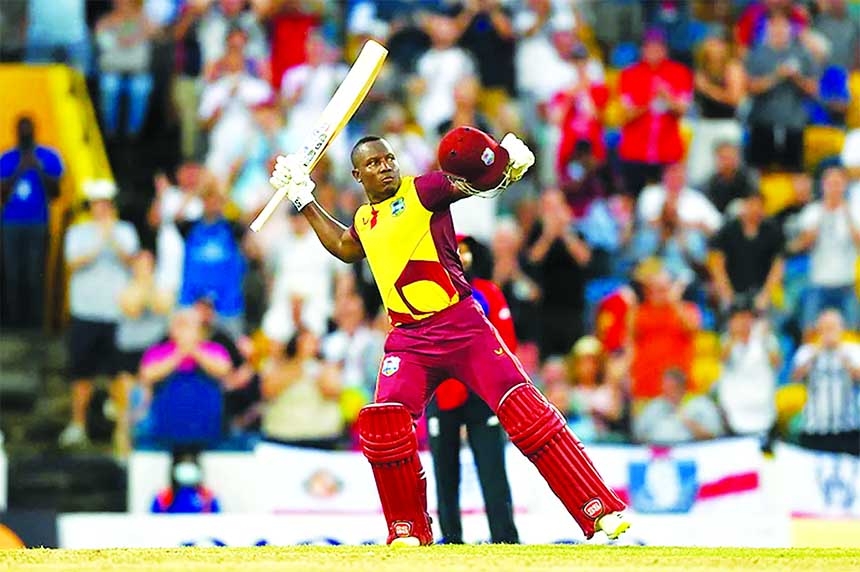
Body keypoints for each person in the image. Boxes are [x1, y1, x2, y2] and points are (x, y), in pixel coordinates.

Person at [268, 125, 629, 546]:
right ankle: (407, 530)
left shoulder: (424, 190)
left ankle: (599, 509)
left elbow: (474, 183)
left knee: (525, 410)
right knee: (385, 420)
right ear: (357, 176)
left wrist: (505, 164)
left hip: (461, 325)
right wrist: (302, 196)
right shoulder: (365, 218)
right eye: (373, 163)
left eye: (388, 159)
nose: (384, 167)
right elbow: (347, 248)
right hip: (409, 338)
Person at [425, 234, 519, 545]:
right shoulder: (431, 294)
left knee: (493, 471)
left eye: (466, 252)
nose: (462, 258)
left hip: (482, 396)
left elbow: (505, 343)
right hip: (444, 392)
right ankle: (450, 539)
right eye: (456, 252)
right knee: (444, 472)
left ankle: (505, 539)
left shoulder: (488, 293)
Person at [61, 180, 140, 448]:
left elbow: (132, 260)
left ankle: (122, 428)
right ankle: (77, 424)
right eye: (97, 204)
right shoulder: (78, 232)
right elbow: (73, 262)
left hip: (117, 314)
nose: (102, 209)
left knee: (118, 373)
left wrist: (112, 239)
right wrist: (99, 240)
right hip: (86, 312)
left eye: (106, 204)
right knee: (82, 372)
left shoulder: (125, 232)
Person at [0, 115, 63, 330]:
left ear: (35, 131)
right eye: (21, 130)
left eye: (28, 130)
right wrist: (20, 168)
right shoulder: (6, 157)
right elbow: (2, 195)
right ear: (16, 132)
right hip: (10, 225)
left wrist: (38, 168)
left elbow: (56, 193)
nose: (25, 134)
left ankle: (36, 325)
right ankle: (14, 324)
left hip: (38, 224)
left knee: (36, 274)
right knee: (13, 274)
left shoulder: (48, 156)